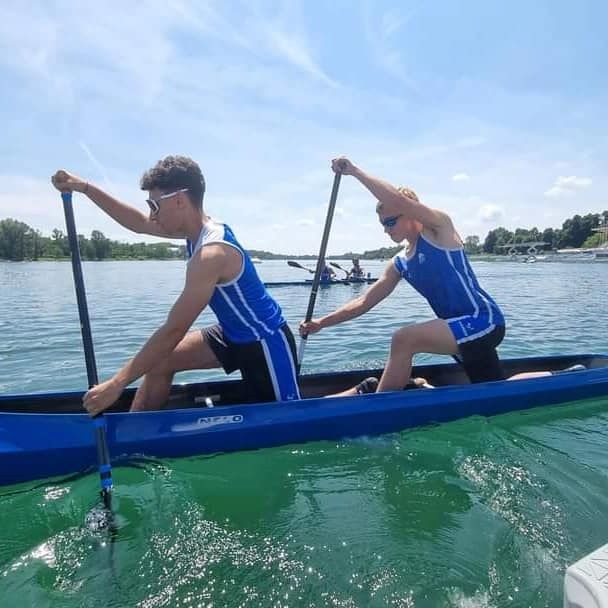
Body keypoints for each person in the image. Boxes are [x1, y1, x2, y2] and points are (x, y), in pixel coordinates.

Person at [51, 156, 300, 415]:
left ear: (180, 201)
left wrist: (117, 384)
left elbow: (175, 329)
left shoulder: (211, 254)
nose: (151, 214)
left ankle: (347, 397)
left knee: (289, 419)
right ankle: (137, 433)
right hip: (231, 333)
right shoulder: (193, 232)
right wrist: (84, 187)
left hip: (265, 342)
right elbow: (137, 223)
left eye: (154, 205)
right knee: (160, 362)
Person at [300, 156, 507, 393]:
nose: (386, 229)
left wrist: (354, 171)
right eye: (382, 224)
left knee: (404, 339)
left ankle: (380, 408)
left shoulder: (440, 231)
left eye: (390, 222)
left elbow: (396, 200)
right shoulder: (399, 262)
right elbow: (364, 302)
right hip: (457, 330)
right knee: (496, 388)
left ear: (410, 213)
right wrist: (320, 323)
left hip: (484, 321)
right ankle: (556, 376)